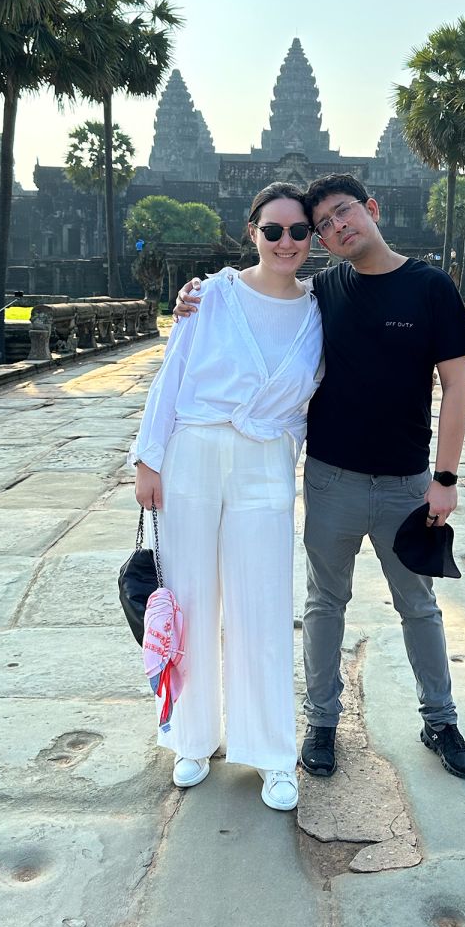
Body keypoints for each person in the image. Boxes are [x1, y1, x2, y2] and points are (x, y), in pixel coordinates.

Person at [177, 173, 465, 782]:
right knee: (324, 603)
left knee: (418, 605)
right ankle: (321, 722)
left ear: (371, 208)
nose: (336, 229)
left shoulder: (430, 287)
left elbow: (456, 386)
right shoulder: (323, 292)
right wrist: (198, 295)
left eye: (343, 214)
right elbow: (265, 297)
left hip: (406, 482)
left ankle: (441, 719)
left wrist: (444, 477)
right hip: (331, 479)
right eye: (322, 227)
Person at [129, 183, 323, 812]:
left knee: (262, 605)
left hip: (265, 459)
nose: (286, 242)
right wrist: (147, 459)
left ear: (312, 239)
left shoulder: (319, 311)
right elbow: (174, 373)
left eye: (298, 232)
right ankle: (191, 737)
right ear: (252, 232)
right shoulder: (210, 295)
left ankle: (271, 752)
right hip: (194, 451)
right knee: (189, 594)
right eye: (274, 231)